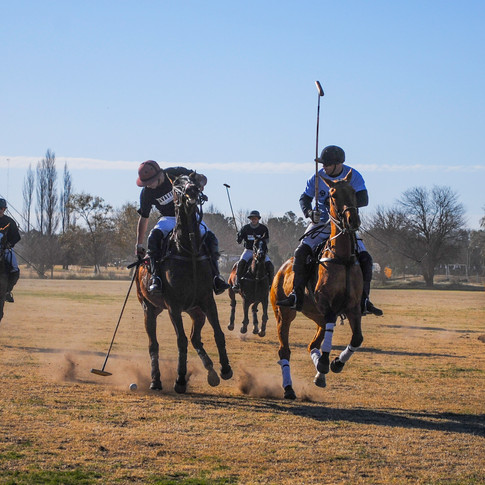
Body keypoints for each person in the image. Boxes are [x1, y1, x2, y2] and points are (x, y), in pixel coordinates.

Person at [276, 145, 383, 315]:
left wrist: (341, 201)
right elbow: (304, 198)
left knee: (365, 258)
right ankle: (296, 294)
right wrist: (310, 213)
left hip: (344, 226)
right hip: (320, 223)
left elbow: (363, 199)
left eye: (326, 164)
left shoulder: (353, 175)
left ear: (337, 164)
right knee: (301, 252)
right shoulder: (317, 177)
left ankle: (364, 300)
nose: (323, 166)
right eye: (323, 163)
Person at [135, 160, 230, 295]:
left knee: (211, 238)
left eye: (150, 182)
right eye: (145, 183)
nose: (148, 185)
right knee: (153, 238)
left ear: (158, 175)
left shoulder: (176, 173)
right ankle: (156, 278)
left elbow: (202, 178)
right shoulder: (147, 193)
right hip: (168, 219)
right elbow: (144, 218)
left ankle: (216, 277)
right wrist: (139, 244)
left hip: (190, 216)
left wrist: (199, 183)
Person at [232, 210, 274, 293]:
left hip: (260, 252)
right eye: (252, 218)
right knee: (240, 263)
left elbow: (267, 240)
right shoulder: (245, 228)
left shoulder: (263, 228)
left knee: (270, 265)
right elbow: (239, 241)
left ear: (258, 219)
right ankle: (237, 283)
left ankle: (271, 284)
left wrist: (261, 244)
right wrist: (239, 237)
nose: (254, 220)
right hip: (249, 251)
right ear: (250, 219)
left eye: (255, 218)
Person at [0, 198, 21, 303]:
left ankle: (7, 291)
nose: (0, 210)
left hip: (5, 249)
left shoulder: (9, 221)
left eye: (1, 208)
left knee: (15, 269)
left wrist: (9, 244)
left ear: (4, 209)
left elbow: (17, 237)